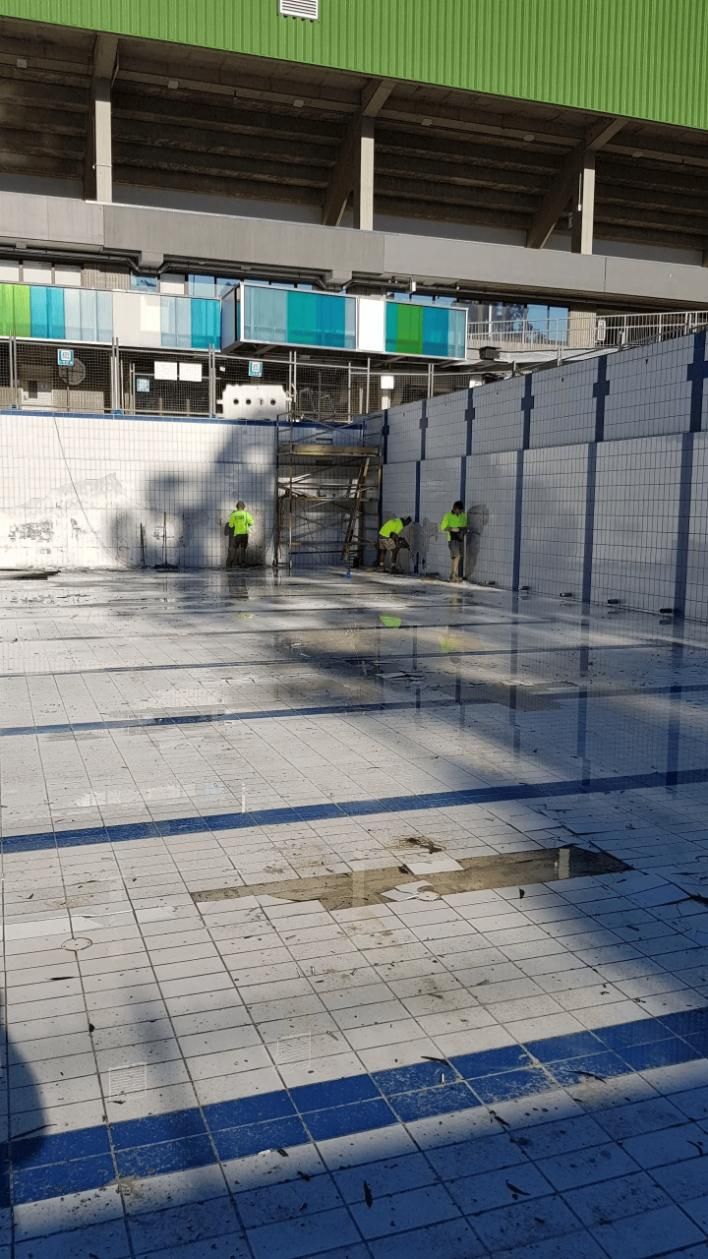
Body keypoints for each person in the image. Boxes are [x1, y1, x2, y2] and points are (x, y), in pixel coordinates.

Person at [440, 500, 468, 583]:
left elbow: (465, 526)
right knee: (457, 556)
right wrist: (452, 529)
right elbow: (443, 527)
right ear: (455, 508)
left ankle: (452, 575)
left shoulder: (463, 516)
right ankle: (455, 575)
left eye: (461, 510)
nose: (460, 512)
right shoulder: (448, 516)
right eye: (459, 510)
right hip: (452, 539)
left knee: (454, 557)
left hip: (460, 538)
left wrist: (463, 530)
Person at [226, 500, 254, 568]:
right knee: (243, 549)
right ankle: (242, 564)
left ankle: (231, 563)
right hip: (244, 534)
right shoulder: (246, 514)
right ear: (244, 507)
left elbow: (231, 525)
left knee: (234, 549)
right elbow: (251, 523)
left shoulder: (234, 514)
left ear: (237, 507)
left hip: (236, 535)